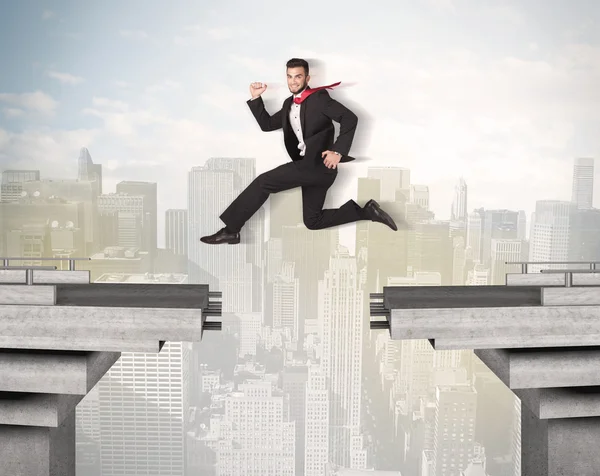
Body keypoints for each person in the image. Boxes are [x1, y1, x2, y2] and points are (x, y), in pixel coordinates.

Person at [200, 58, 397, 245]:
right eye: (289, 76)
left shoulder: (319, 99)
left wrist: (337, 151)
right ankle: (366, 212)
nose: (293, 81)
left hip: (315, 165)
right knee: (313, 221)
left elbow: (350, 118)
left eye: (298, 76)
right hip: (318, 173)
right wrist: (255, 98)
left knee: (263, 182)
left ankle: (231, 230)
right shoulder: (288, 104)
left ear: (307, 78)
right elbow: (267, 125)